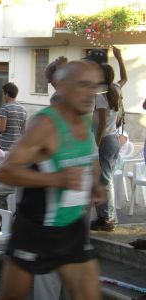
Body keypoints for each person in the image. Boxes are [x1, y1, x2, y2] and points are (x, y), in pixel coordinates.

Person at [0, 61, 105, 300]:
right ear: (63, 87)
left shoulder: (86, 121)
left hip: (72, 227)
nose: (90, 93)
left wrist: (95, 186)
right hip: (36, 229)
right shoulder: (45, 124)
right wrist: (56, 179)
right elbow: (5, 172)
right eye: (83, 85)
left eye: (95, 86)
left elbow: (86, 161)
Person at [91, 47, 127, 231]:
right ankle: (105, 217)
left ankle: (108, 219)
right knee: (105, 178)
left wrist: (95, 144)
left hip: (105, 139)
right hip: (112, 138)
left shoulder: (101, 93)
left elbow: (102, 122)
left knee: (104, 179)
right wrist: (119, 58)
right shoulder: (115, 88)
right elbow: (125, 78)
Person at [0, 82, 27, 151]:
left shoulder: (5, 108)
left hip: (5, 147)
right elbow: (24, 131)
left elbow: (2, 129)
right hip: (17, 147)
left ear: (7, 94)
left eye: (4, 94)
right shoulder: (23, 109)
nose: (3, 96)